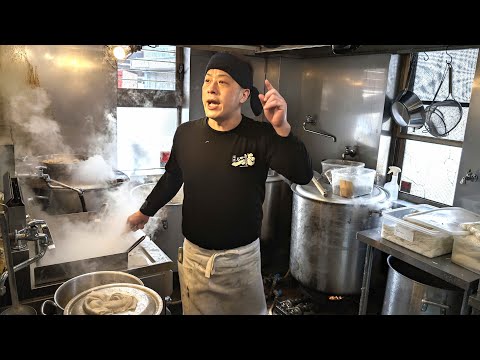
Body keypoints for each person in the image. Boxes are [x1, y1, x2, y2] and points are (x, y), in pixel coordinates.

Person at [126, 52, 313, 315]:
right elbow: (172, 178)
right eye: (207, 81)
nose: (211, 89)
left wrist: (282, 128)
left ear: (244, 95)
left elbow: (303, 175)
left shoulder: (261, 136)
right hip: (195, 260)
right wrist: (144, 211)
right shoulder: (186, 133)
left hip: (242, 262)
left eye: (223, 82)